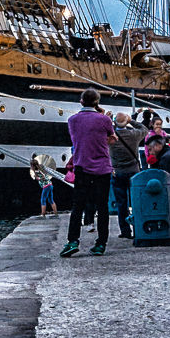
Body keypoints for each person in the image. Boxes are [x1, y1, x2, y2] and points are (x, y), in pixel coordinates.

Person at [61, 89, 114, 257]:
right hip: (103, 168)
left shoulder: (72, 120)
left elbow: (78, 138)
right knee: (102, 206)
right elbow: (112, 139)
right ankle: (100, 244)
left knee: (78, 206)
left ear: (81, 101)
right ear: (97, 102)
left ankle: (72, 241)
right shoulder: (104, 120)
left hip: (82, 167)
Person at [108, 111, 145, 238]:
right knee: (136, 202)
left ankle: (125, 231)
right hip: (134, 172)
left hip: (118, 173)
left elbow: (99, 133)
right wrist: (131, 121)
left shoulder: (110, 137)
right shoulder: (134, 134)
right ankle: (139, 228)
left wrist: (108, 120)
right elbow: (144, 129)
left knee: (121, 204)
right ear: (126, 122)